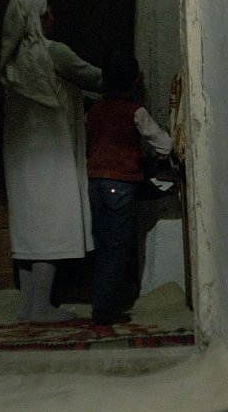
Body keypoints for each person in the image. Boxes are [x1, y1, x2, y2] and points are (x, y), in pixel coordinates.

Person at [0, 0, 104, 323]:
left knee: (30, 227)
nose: (52, 18)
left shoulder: (11, 61)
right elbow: (94, 77)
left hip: (21, 157)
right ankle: (41, 305)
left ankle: (28, 306)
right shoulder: (54, 52)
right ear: (34, 18)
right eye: (46, 13)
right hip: (52, 153)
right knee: (50, 226)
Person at [86, 53, 172, 325]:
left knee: (101, 244)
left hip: (94, 182)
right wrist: (155, 159)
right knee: (119, 247)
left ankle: (99, 299)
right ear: (137, 81)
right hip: (121, 184)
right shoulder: (135, 112)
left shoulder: (94, 111)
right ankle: (105, 308)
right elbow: (165, 145)